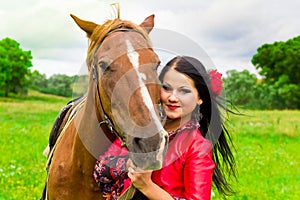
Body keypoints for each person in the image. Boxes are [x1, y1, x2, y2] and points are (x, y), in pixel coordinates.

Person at [94, 56, 236, 200]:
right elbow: (100, 173)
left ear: (200, 97)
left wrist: (147, 186)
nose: (172, 98)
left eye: (184, 91)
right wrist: (126, 164)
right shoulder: (142, 128)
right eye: (166, 88)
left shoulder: (197, 147)